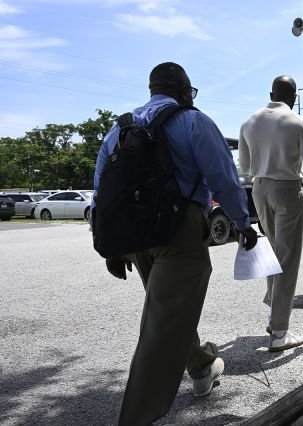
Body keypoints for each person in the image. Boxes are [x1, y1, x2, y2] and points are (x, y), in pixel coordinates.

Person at [95, 62, 258, 425]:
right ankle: (136, 418)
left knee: (168, 311)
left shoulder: (120, 128)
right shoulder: (193, 121)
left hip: (135, 237)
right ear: (184, 90)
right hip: (178, 231)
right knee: (162, 325)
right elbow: (223, 179)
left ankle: (201, 367)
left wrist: (111, 246)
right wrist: (242, 223)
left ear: (153, 89)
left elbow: (102, 189)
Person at [239, 75, 303, 352]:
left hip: (259, 188)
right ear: (294, 97)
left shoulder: (249, 122)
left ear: (271, 94)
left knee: (272, 254)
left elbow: (245, 165)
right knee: (287, 259)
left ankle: (274, 309)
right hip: (288, 188)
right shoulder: (299, 122)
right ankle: (280, 331)